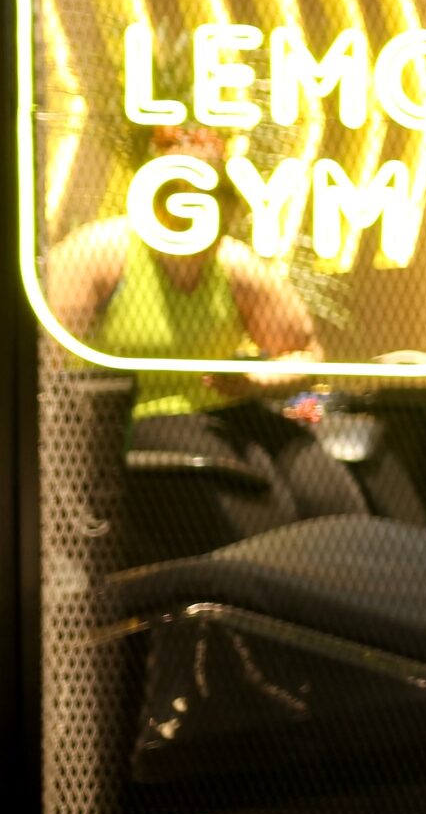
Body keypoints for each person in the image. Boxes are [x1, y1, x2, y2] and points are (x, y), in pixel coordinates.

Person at [48, 121, 347, 536]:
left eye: (212, 195)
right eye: (176, 192)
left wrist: (256, 380)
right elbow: (46, 357)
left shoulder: (235, 266)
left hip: (227, 411)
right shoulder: (98, 253)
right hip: (137, 418)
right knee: (257, 507)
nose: (192, 207)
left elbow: (305, 354)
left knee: (327, 496)